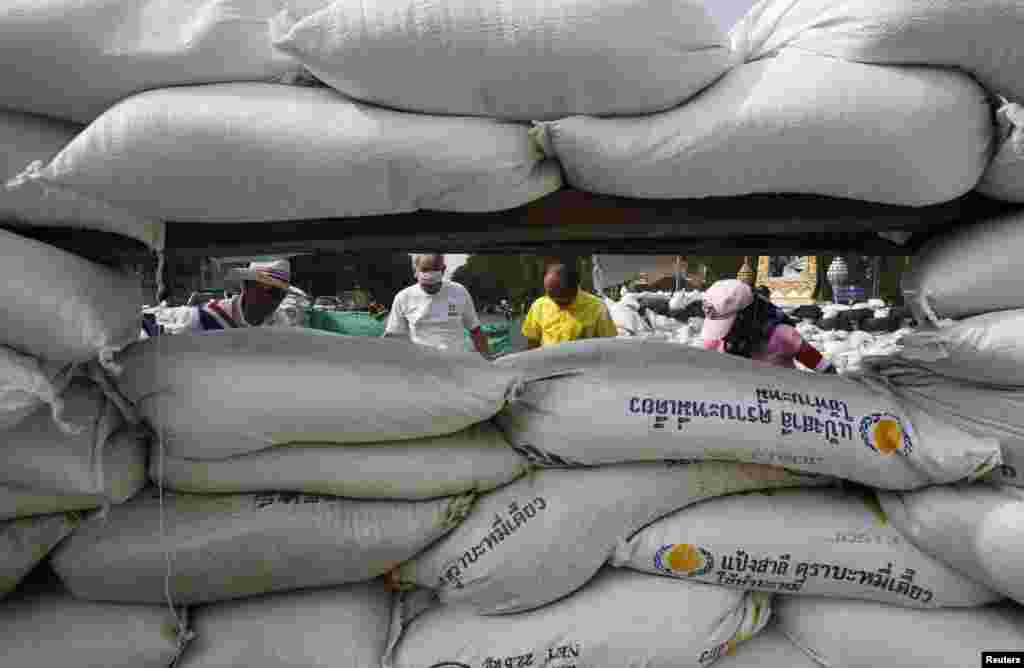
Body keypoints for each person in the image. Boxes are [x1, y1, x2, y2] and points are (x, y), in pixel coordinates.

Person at [700, 279, 834, 372]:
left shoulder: (782, 336)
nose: (725, 335)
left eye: (728, 326)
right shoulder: (715, 340)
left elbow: (823, 368)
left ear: (745, 316)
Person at [384, 254, 490, 356]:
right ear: (415, 272)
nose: (431, 289)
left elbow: (475, 330)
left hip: (457, 359)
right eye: (426, 285)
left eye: (435, 284)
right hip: (423, 363)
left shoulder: (459, 292)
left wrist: (487, 359)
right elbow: (394, 335)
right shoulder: (403, 297)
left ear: (443, 270)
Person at [522, 257, 618, 349]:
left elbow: (609, 346)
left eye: (562, 300)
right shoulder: (539, 306)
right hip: (549, 365)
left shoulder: (598, 308)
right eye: (551, 297)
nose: (556, 303)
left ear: (575, 288)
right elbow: (532, 343)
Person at [185, 259, 293, 331]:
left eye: (280, 294)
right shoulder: (205, 317)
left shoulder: (281, 326)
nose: (274, 300)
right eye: (270, 290)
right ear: (246, 286)